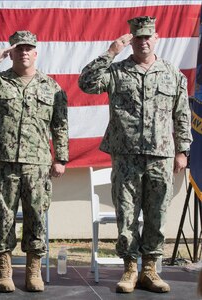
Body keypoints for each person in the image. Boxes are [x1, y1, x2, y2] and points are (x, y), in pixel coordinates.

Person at [78, 16, 192, 294]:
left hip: (160, 155)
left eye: (148, 37)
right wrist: (110, 52)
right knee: (127, 214)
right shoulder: (117, 71)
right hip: (126, 154)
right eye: (138, 37)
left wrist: (183, 150)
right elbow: (86, 83)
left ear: (156, 39)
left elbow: (182, 115)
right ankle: (130, 269)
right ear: (131, 40)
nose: (143, 42)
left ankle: (150, 270)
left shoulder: (172, 73)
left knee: (157, 214)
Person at [0, 30, 68, 292]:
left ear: (35, 52)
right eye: (18, 48)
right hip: (4, 161)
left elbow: (60, 126)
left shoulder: (51, 86)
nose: (24, 52)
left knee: (36, 215)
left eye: (28, 48)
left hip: (37, 163)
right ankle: (5, 270)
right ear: (11, 52)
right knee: (3, 216)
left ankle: (33, 270)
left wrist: (61, 158)